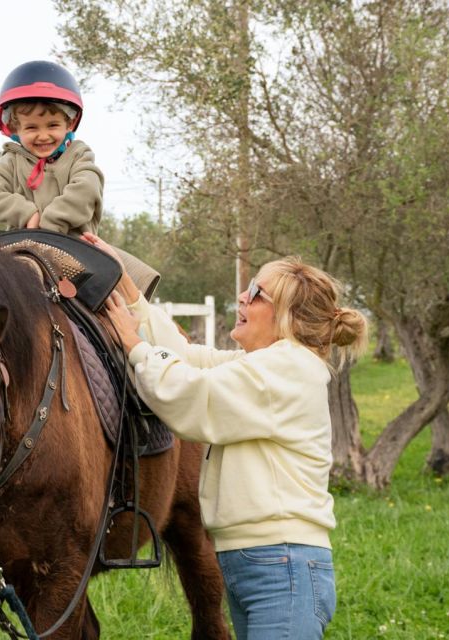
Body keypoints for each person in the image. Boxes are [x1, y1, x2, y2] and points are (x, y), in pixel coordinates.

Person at [89, 233, 367, 640]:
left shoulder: (286, 369)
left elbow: (193, 395)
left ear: (286, 316)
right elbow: (190, 358)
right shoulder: (268, 364)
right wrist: (131, 295)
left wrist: (132, 342)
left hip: (281, 565)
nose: (241, 296)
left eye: (256, 293)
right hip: (261, 562)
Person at [0, 59, 161, 298]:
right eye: (32, 128)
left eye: (52, 125)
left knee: (116, 306)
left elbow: (85, 190)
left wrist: (49, 227)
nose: (43, 135)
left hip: (76, 250)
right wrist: (26, 213)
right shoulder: (9, 161)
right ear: (15, 128)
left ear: (70, 123)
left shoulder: (79, 156)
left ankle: (128, 334)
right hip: (21, 248)